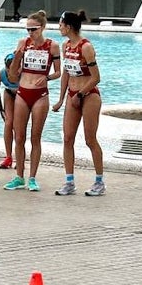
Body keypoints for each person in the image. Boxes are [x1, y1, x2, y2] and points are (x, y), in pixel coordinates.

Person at [3, 10, 60, 192]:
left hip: (40, 94)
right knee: (19, 136)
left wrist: (48, 78)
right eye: (28, 29)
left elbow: (58, 72)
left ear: (42, 28)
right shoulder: (23, 43)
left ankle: (33, 177)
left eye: (33, 29)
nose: (30, 33)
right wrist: (17, 56)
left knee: (36, 137)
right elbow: (12, 75)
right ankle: (19, 176)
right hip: (22, 92)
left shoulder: (52, 46)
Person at [52, 10, 106, 196]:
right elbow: (66, 72)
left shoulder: (86, 47)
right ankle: (69, 181)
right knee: (67, 138)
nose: (59, 27)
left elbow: (96, 77)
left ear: (68, 26)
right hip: (72, 94)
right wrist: (61, 99)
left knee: (90, 139)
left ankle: (99, 181)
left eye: (60, 24)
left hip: (89, 95)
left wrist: (81, 94)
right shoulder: (66, 45)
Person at [0, 52, 18, 169]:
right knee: (8, 123)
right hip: (8, 93)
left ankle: (19, 158)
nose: (11, 73)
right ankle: (8, 157)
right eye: (8, 70)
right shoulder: (0, 75)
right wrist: (0, 109)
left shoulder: (23, 74)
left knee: (18, 126)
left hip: (21, 94)